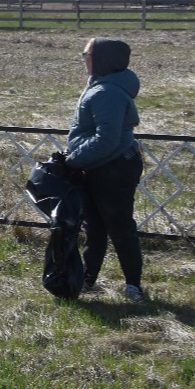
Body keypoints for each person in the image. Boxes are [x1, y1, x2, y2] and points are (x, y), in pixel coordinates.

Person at [64, 37, 146, 301]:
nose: (83, 58)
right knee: (95, 226)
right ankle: (88, 279)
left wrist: (74, 160)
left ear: (101, 60)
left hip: (113, 166)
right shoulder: (101, 85)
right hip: (99, 164)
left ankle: (133, 285)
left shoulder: (106, 92)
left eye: (86, 54)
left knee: (118, 225)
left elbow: (106, 139)